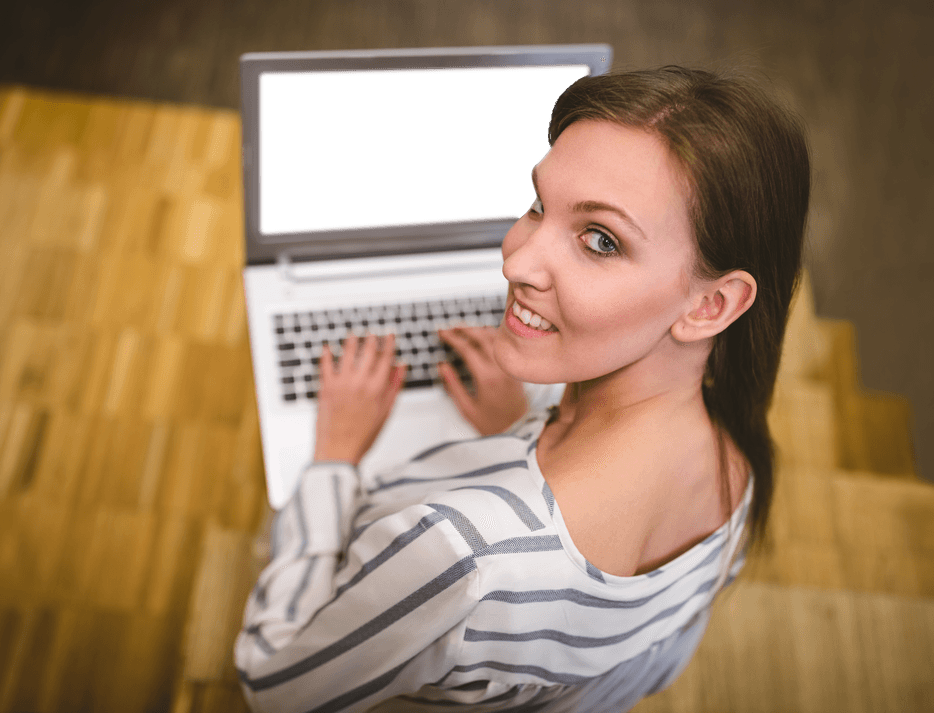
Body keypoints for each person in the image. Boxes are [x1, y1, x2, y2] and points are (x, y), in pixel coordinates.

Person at [235, 65, 810, 712]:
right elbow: (640, 669)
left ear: (711, 306)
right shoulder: (736, 472)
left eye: (600, 240)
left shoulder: (459, 555)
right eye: (539, 204)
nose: (515, 258)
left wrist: (333, 461)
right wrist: (519, 432)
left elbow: (276, 689)